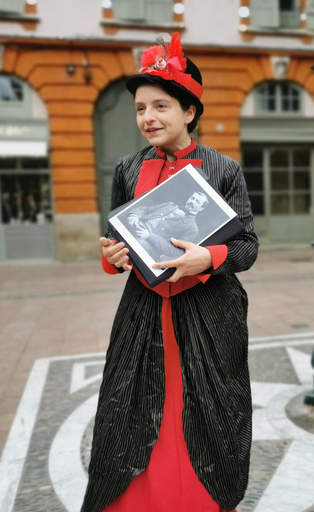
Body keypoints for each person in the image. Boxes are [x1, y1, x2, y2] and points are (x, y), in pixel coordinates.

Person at [81, 32, 258, 512]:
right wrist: (111, 256)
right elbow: (115, 241)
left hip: (208, 315)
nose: (148, 118)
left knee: (207, 413)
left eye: (160, 106)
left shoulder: (223, 170)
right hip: (144, 314)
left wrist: (210, 259)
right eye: (140, 108)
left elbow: (247, 246)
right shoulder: (126, 168)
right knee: (130, 409)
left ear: (189, 111)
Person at [125, 191, 209, 261]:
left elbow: (175, 251)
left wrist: (149, 236)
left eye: (197, 201)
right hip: (134, 227)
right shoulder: (170, 205)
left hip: (147, 244)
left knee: (133, 248)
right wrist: (134, 215)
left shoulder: (192, 228)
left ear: (201, 208)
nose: (192, 201)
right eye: (192, 198)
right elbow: (147, 209)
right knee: (120, 219)